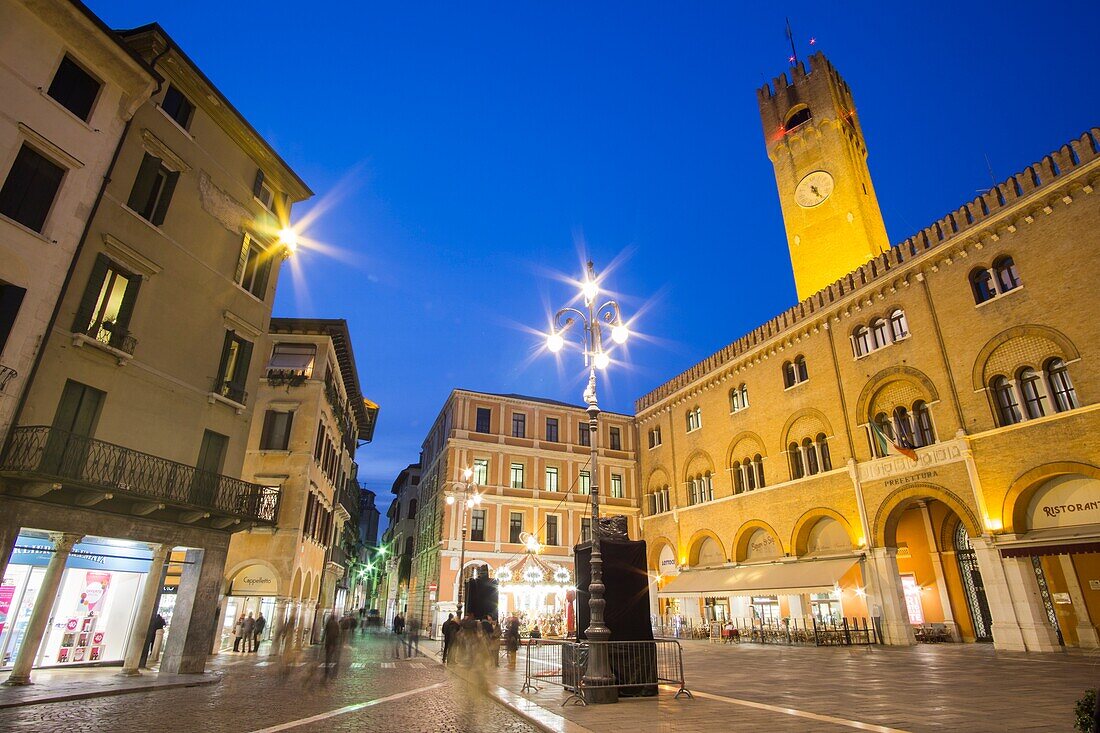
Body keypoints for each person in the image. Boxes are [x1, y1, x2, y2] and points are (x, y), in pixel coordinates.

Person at [323, 614, 341, 679]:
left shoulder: (328, 623)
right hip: (334, 642)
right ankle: (332, 671)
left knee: (328, 655)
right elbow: (338, 633)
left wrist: (323, 639)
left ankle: (327, 668)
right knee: (333, 655)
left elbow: (325, 631)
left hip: (328, 641)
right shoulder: (336, 624)